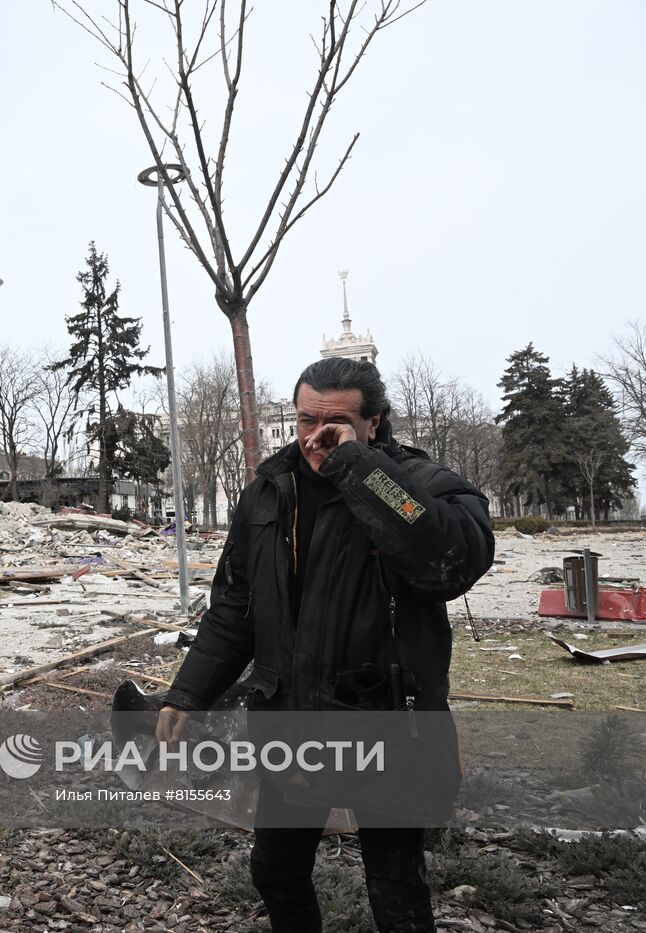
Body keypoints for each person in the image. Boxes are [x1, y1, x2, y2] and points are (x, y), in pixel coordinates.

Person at [155, 358, 494, 933]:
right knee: (275, 870)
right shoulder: (268, 491)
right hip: (293, 723)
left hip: (388, 725)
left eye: (334, 423)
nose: (315, 437)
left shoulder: (420, 482)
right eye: (305, 420)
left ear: (374, 422)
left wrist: (358, 468)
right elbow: (236, 606)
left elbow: (450, 562)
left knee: (396, 888)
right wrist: (189, 693)